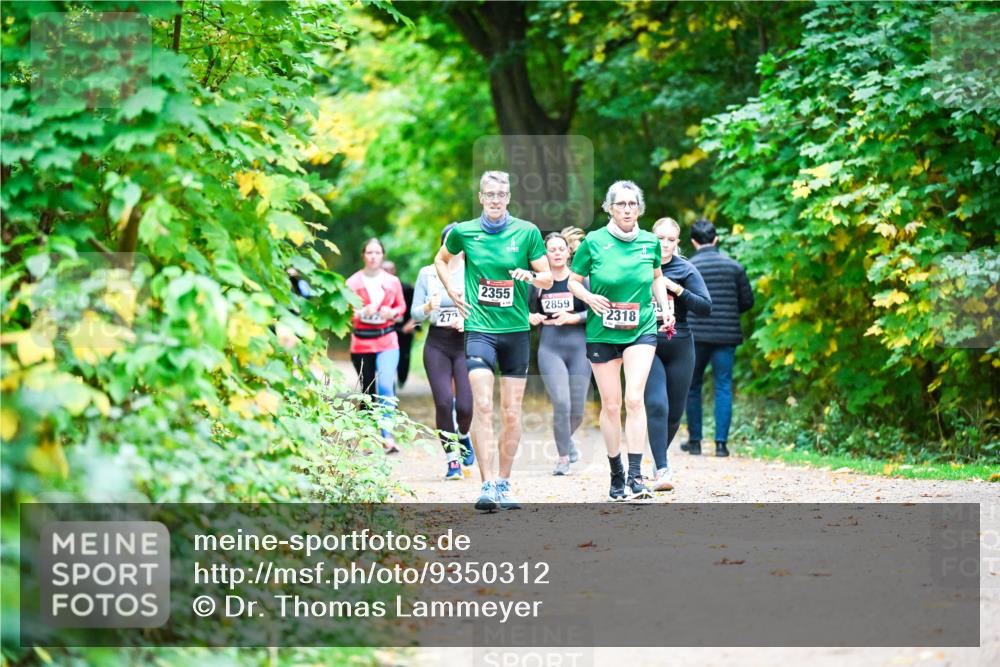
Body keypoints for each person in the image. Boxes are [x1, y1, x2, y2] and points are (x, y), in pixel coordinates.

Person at [434, 170, 552, 511]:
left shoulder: (527, 232)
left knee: (511, 412)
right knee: (483, 406)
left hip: (515, 331)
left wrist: (530, 276)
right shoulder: (464, 232)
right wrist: (453, 292)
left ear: (509, 198)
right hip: (480, 329)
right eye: (490, 194)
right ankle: (485, 486)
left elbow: (546, 278)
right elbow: (440, 260)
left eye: (502, 194)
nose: (496, 200)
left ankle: (504, 482)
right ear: (482, 197)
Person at [568, 180, 674, 501]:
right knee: (612, 405)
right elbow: (573, 282)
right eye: (620, 204)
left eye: (632, 204)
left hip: (641, 328)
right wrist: (589, 298)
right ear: (609, 209)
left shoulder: (649, 242)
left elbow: (657, 278)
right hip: (602, 331)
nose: (627, 210)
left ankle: (637, 476)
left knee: (634, 400)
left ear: (639, 208)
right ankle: (616, 476)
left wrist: (665, 308)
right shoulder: (594, 242)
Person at [643, 217, 712, 491]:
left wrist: (677, 288)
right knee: (657, 404)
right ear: (652, 238)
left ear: (678, 242)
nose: (665, 244)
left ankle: (659, 456)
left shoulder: (686, 269)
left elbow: (706, 307)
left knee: (674, 412)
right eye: (660, 238)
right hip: (647, 342)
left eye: (671, 240)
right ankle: (662, 468)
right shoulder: (640, 265)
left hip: (680, 343)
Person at [684, 218, 755, 457]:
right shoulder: (734, 267)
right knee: (723, 386)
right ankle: (721, 445)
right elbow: (747, 302)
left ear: (694, 242)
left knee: (692, 386)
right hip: (726, 336)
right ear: (716, 239)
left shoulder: (688, 267)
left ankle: (694, 441)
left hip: (695, 335)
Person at [412, 223, 475, 480]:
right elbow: (414, 315)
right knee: (443, 402)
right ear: (443, 245)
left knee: (466, 407)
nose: (455, 246)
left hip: (465, 343)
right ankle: (452, 461)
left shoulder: (473, 271)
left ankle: (464, 435)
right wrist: (428, 306)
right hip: (437, 344)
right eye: (450, 241)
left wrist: (467, 321)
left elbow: (486, 308)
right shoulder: (427, 273)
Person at [529, 230, 591, 475]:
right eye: (551, 249)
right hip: (550, 348)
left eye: (560, 249)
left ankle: (567, 439)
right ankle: (563, 458)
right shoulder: (538, 284)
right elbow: (519, 310)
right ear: (545, 254)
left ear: (568, 253)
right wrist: (529, 316)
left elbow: (596, 311)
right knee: (561, 403)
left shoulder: (581, 281)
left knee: (577, 411)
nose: (556, 253)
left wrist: (574, 318)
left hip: (579, 349)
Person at [347, 238, 407, 454]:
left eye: (377, 252)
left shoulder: (392, 281)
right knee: (368, 392)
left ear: (383, 255)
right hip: (362, 342)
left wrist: (393, 313)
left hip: (387, 340)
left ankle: (387, 436)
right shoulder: (352, 283)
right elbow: (345, 312)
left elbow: (401, 306)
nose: (373, 256)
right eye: (369, 252)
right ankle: (367, 439)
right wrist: (362, 313)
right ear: (363, 255)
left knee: (385, 386)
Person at [383, 260, 418, 390]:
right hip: (385, 330)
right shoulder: (375, 288)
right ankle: (387, 381)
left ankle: (402, 378)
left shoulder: (407, 288)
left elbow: (417, 308)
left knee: (404, 357)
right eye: (385, 269)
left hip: (404, 330)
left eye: (391, 269)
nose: (388, 272)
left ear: (395, 271)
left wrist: (412, 325)